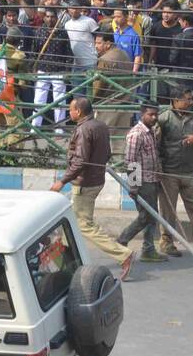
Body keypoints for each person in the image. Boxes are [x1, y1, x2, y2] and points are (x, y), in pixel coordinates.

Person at [50, 97, 135, 278]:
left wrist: (62, 181)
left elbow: (80, 161)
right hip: (96, 181)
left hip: (84, 184)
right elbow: (107, 153)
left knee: (83, 225)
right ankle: (67, 263)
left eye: (70, 109)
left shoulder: (83, 130)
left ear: (78, 111)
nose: (69, 112)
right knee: (70, 222)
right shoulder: (101, 126)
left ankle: (123, 254)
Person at [154, 87, 193, 257]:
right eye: (187, 99)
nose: (190, 102)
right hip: (169, 172)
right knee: (167, 209)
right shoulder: (164, 118)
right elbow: (155, 143)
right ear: (176, 100)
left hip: (189, 171)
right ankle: (166, 242)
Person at [117, 101, 167, 263]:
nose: (154, 118)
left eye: (155, 114)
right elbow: (130, 161)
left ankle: (148, 249)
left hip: (152, 179)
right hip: (142, 182)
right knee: (146, 216)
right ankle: (122, 241)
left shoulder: (150, 132)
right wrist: (133, 185)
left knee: (151, 216)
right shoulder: (136, 134)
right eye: (150, 114)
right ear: (142, 114)